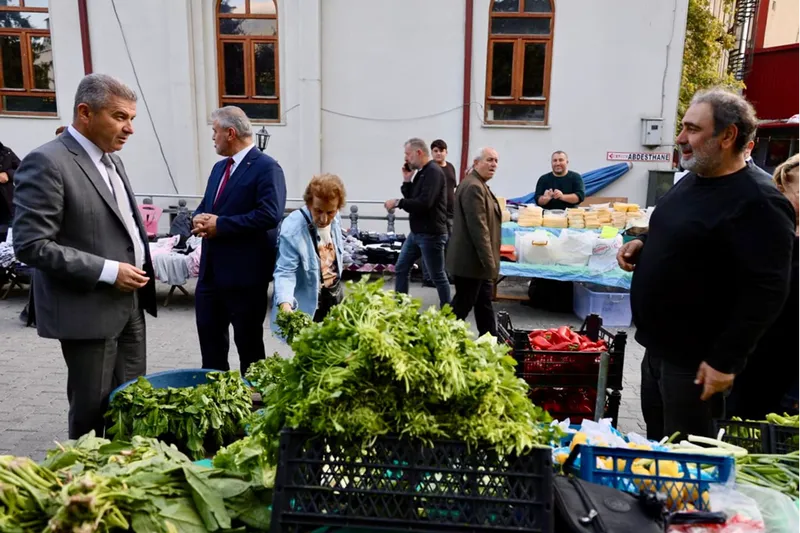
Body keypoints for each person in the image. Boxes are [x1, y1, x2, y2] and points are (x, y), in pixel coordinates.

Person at [617, 88, 796, 440]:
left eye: (693, 129)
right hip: (658, 350)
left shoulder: (759, 201)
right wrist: (643, 244)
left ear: (728, 136)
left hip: (697, 364)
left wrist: (725, 361)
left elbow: (768, 290)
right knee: (658, 448)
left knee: (688, 460)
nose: (681, 139)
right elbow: (677, 231)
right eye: (683, 128)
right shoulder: (694, 181)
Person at [12, 73, 157, 439]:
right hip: (87, 311)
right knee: (92, 413)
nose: (129, 129)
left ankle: (128, 480)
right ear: (85, 112)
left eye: (132, 119)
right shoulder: (47, 162)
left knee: (133, 406)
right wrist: (108, 271)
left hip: (130, 305)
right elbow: (31, 245)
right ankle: (88, 488)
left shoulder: (111, 160)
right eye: (120, 117)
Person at [193, 106, 287, 375]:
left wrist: (220, 225)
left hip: (245, 278)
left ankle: (255, 406)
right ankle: (214, 402)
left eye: (215, 131)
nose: (213, 137)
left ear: (230, 133)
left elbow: (270, 214)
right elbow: (208, 205)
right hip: (210, 276)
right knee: (210, 349)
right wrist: (198, 219)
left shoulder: (267, 168)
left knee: (249, 349)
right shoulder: (218, 168)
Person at [728, 154, 800, 420]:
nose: (780, 196)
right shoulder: (769, 228)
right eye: (778, 188)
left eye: (788, 190)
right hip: (756, 355)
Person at [272, 174, 346, 331]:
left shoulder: (336, 216)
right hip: (310, 305)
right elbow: (285, 271)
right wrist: (285, 304)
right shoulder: (292, 228)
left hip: (334, 296)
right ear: (309, 203)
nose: (324, 219)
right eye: (318, 211)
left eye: (331, 212)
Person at [384, 138, 450, 308]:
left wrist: (398, 202)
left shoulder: (433, 172)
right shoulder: (421, 173)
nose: (406, 159)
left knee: (437, 275)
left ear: (418, 152)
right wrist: (407, 181)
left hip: (432, 234)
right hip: (417, 233)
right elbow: (412, 199)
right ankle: (400, 307)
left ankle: (448, 310)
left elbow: (424, 203)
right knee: (401, 268)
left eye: (408, 154)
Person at [447, 148, 502, 337]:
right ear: (476, 162)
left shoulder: (478, 184)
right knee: (462, 305)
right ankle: (439, 337)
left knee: (483, 303)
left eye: (496, 160)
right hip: (471, 262)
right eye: (489, 160)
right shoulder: (474, 187)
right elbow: (479, 230)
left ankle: (490, 339)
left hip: (476, 262)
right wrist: (490, 263)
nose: (493, 164)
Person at [421, 139, 457, 287]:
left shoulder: (450, 167)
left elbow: (452, 188)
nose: (438, 153)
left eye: (441, 150)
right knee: (431, 244)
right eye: (435, 151)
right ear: (431, 153)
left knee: (449, 244)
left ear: (446, 152)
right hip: (435, 213)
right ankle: (428, 276)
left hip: (450, 212)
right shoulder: (429, 169)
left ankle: (446, 274)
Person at [0, 141, 20, 243]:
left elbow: (21, 168)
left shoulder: (6, 151)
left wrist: (8, 174)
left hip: (6, 201)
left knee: (3, 233)